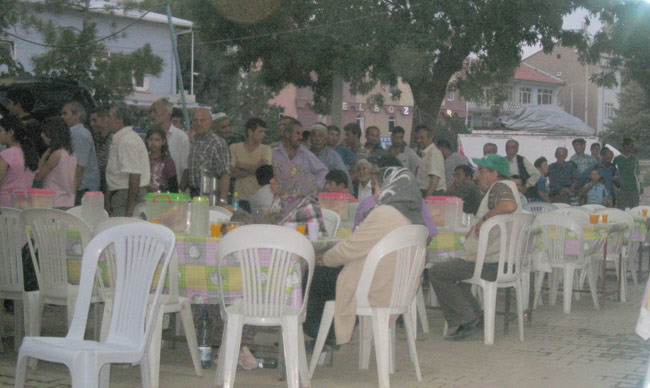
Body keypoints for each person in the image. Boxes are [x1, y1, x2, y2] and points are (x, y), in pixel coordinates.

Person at [303, 167, 427, 346]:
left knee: (315, 275)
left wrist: (324, 258)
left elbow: (351, 248)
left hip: (374, 289)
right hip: (397, 290)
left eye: (378, 186)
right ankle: (326, 334)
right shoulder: (413, 218)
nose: (375, 191)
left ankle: (313, 336)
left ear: (391, 187)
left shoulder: (385, 213)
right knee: (329, 275)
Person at [430, 153, 520, 341]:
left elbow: (509, 205)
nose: (477, 175)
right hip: (501, 261)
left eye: (481, 170)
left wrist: (485, 218)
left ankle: (468, 320)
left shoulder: (500, 187)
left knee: (438, 271)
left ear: (494, 173)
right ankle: (475, 317)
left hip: (490, 263)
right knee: (458, 273)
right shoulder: (508, 187)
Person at [104, 104, 150, 217]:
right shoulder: (121, 138)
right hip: (120, 194)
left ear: (119, 120)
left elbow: (134, 175)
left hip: (126, 196)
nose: (107, 120)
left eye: (109, 117)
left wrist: (130, 209)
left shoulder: (127, 140)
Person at [182, 108, 231, 202]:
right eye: (195, 120)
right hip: (192, 195)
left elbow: (225, 174)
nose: (198, 123)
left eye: (202, 120)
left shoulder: (218, 143)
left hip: (210, 196)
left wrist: (222, 200)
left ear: (210, 122)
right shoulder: (193, 141)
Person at [272, 118, 328, 191]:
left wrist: (313, 186)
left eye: (301, 134)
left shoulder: (306, 154)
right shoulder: (273, 154)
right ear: (287, 134)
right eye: (297, 133)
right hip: (278, 198)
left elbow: (323, 171)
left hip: (302, 199)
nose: (301, 137)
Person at [229, 118, 272, 211]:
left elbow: (263, 170)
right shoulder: (234, 147)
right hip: (239, 198)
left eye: (264, 132)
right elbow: (232, 172)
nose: (263, 135)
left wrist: (241, 165)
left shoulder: (266, 149)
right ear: (250, 132)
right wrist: (256, 170)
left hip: (260, 198)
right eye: (260, 132)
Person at [34, 117, 77, 208]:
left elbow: (38, 176)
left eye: (44, 132)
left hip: (53, 201)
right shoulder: (71, 154)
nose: (42, 135)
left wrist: (43, 158)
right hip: (68, 201)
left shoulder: (56, 155)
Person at [61, 101, 100, 203]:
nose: (62, 117)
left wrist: (71, 194)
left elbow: (79, 166)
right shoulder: (72, 133)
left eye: (65, 113)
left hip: (82, 190)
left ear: (76, 115)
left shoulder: (79, 134)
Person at [0, 116, 39, 207]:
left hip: (5, 205)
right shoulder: (31, 154)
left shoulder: (6, 154)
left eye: (0, 131)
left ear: (10, 132)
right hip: (25, 204)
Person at [149, 98, 189, 182]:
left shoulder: (181, 137)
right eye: (151, 112)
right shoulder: (149, 137)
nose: (152, 115)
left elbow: (186, 169)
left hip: (174, 191)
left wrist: (179, 191)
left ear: (167, 113)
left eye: (155, 111)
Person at [6, 87, 45, 155]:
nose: (7, 106)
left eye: (9, 103)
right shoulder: (37, 124)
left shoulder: (22, 126)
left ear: (18, 105)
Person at [415, 125, 446, 197]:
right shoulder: (426, 154)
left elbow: (434, 180)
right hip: (424, 191)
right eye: (418, 138)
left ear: (430, 139)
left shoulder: (434, 153)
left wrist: (427, 200)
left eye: (422, 138)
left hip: (432, 193)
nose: (419, 140)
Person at [145, 128, 178, 193]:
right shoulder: (143, 159)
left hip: (162, 198)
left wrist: (158, 190)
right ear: (146, 141)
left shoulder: (167, 161)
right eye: (151, 139)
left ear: (163, 142)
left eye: (157, 140)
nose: (153, 143)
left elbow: (173, 187)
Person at [88, 106, 112, 193]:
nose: (92, 124)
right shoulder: (94, 138)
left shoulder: (114, 139)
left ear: (105, 119)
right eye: (90, 121)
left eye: (95, 120)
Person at [613, 137, 640, 209]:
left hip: (633, 189)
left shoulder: (635, 159)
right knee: (621, 209)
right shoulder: (617, 159)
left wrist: (639, 187)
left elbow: (637, 174)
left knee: (634, 209)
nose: (633, 147)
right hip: (621, 189)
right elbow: (613, 174)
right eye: (631, 145)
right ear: (625, 146)